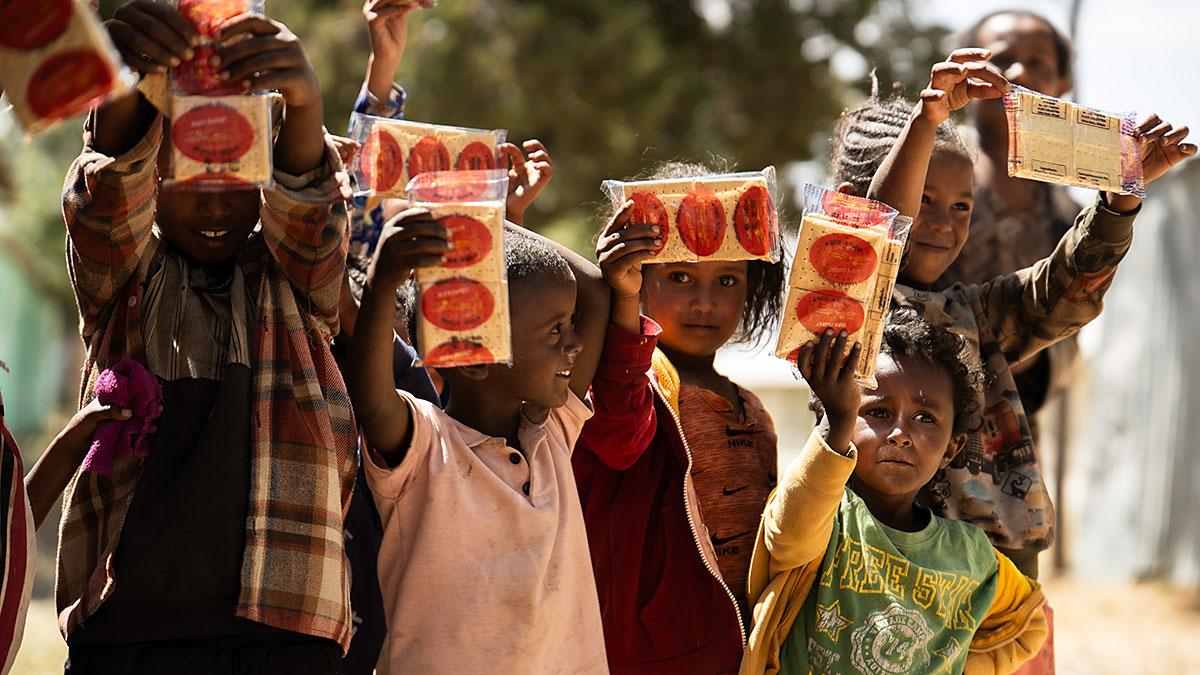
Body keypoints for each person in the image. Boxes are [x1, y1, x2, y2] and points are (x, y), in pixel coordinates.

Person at [58, 1, 357, 670]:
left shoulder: (293, 286)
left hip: (288, 630)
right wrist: (120, 87)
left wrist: (302, 105)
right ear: (153, 179)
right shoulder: (123, 283)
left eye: (237, 179)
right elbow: (105, 204)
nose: (217, 204)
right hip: (128, 631)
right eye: (191, 178)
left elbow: (313, 224)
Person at [828, 50, 1194, 580]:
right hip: (878, 581)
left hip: (997, 582)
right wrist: (927, 121)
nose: (942, 222)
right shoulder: (842, 311)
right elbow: (880, 233)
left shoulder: (973, 316)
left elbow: (1063, 292)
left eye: (961, 206)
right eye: (923, 198)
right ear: (859, 204)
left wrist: (1117, 206)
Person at [346, 208, 611, 673]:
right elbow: (372, 403)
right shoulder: (425, 447)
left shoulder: (551, 435)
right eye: (555, 330)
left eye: (570, 324)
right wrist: (382, 282)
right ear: (473, 359)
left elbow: (593, 286)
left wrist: (479, 213)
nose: (576, 342)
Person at [742, 310, 1048, 674]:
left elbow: (1028, 625)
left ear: (951, 448)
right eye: (878, 412)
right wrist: (836, 422)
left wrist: (955, 662)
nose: (900, 433)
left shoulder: (969, 554)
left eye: (925, 418)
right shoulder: (824, 515)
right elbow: (788, 537)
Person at [571, 163, 787, 672]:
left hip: (739, 651)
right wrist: (620, 303)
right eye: (680, 276)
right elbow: (620, 438)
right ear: (637, 277)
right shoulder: (629, 381)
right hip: (649, 655)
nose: (705, 301)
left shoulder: (753, 410)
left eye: (728, 279)